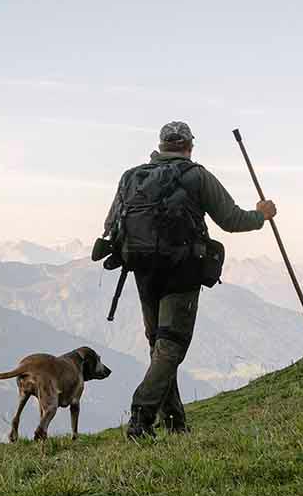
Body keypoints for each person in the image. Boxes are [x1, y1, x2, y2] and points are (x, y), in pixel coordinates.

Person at [103, 121, 276, 439]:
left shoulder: (131, 177)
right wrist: (261, 215)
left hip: (142, 270)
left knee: (159, 345)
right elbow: (232, 220)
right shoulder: (196, 176)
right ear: (188, 146)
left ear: (160, 146)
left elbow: (111, 223)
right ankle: (141, 415)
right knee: (172, 346)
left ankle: (175, 423)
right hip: (182, 270)